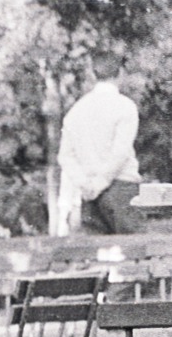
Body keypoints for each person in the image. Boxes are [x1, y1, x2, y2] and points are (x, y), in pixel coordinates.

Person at [55, 51, 144, 235]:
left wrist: (85, 184)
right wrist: (99, 183)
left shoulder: (76, 111)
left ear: (93, 75)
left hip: (90, 195)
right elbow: (120, 153)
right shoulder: (124, 106)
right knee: (135, 253)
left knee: (97, 256)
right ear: (120, 73)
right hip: (122, 189)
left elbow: (65, 156)